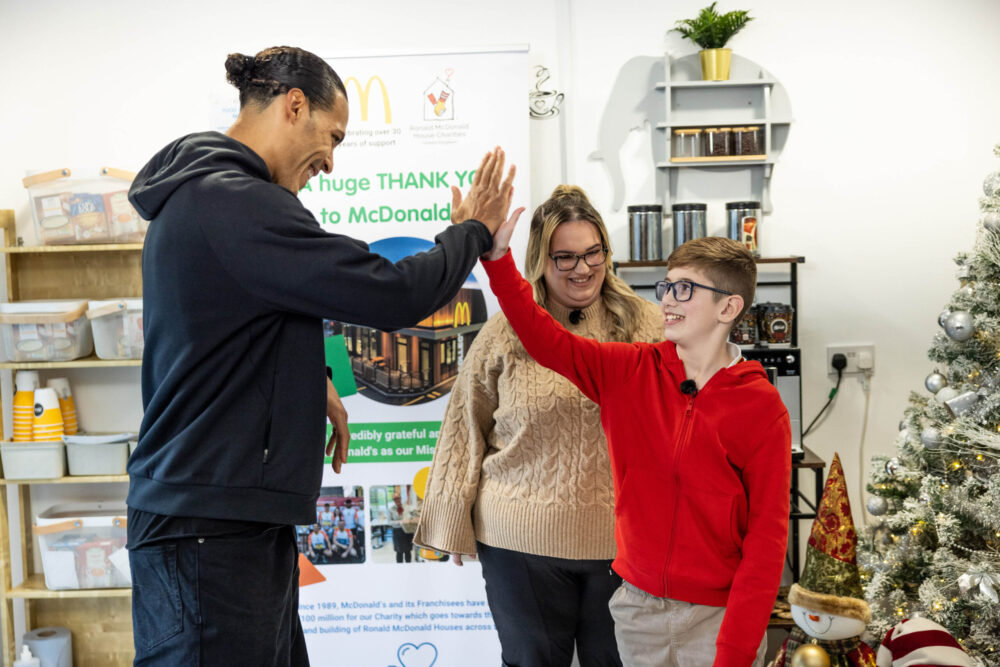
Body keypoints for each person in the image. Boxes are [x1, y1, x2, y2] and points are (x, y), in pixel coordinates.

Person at [125, 45, 516, 667]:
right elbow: (389, 292)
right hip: (209, 525)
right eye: (332, 136)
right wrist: (469, 233)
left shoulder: (208, 197)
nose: (331, 162)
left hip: (220, 517)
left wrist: (307, 385)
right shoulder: (233, 200)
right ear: (294, 105)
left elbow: (233, 329)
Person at [478, 220, 792, 666]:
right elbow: (544, 338)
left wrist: (736, 651)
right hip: (636, 611)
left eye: (685, 289)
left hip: (717, 619)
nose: (666, 299)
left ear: (728, 308)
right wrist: (497, 260)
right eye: (667, 286)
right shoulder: (629, 372)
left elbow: (767, 541)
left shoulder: (760, 407)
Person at [414, 186, 664, 667]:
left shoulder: (646, 326)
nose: (582, 269)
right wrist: (449, 517)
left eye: (593, 254)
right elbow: (465, 422)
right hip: (519, 540)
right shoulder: (506, 329)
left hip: (622, 543)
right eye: (564, 257)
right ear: (540, 260)